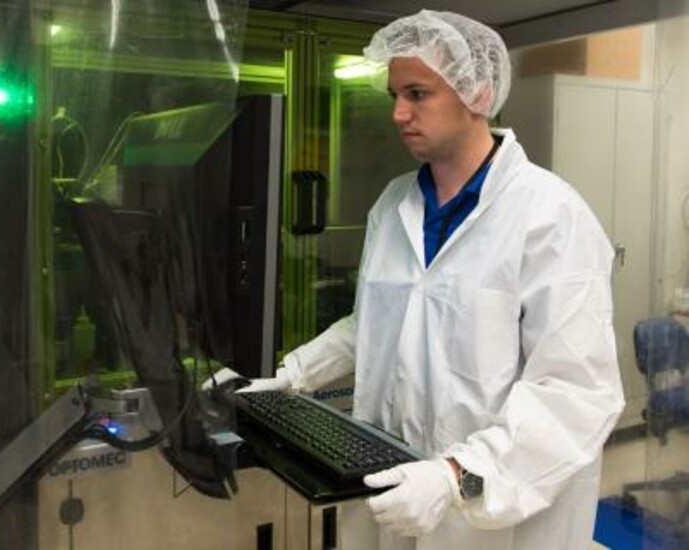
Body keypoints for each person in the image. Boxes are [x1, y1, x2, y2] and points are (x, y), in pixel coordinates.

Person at [216, 9, 625, 549]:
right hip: (395, 495)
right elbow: (373, 325)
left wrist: (457, 477)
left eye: (417, 93)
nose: (398, 113)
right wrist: (293, 374)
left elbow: (575, 394)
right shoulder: (394, 205)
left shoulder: (550, 217)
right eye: (394, 96)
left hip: (494, 517)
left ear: (477, 94)